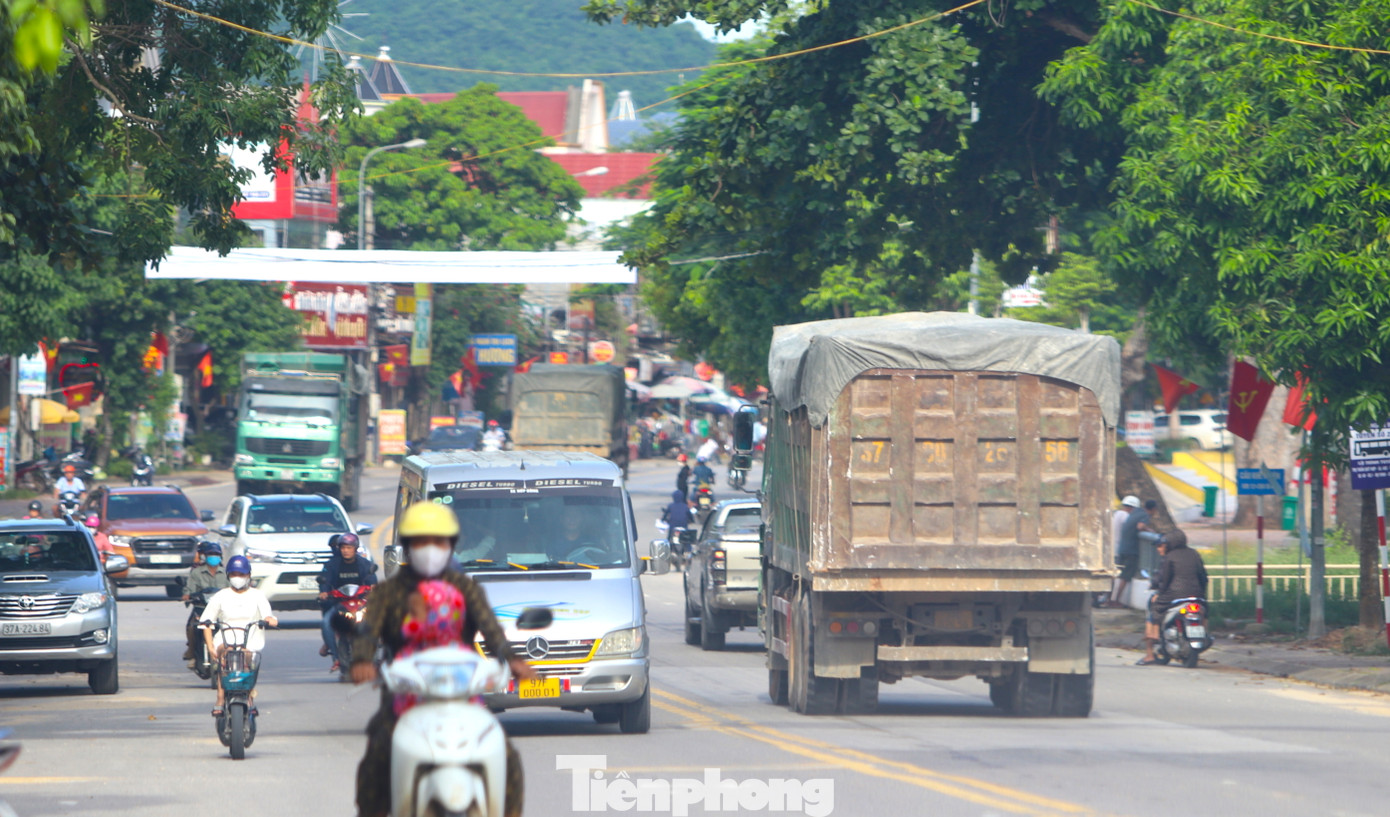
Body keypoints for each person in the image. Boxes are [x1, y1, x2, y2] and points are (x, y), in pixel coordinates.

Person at [350, 501, 536, 817]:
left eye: (439, 541)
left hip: (462, 695)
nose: (430, 549)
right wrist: (361, 661)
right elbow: (368, 633)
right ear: (408, 547)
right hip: (406, 694)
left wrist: (512, 659)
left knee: (507, 756)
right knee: (376, 758)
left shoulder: (465, 587)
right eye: (422, 541)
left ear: (450, 546)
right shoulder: (388, 593)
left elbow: (492, 630)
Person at [200, 555, 278, 716]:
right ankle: (220, 697)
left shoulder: (257, 595)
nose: (238, 578)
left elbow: (268, 616)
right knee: (227, 657)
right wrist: (210, 647)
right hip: (225, 639)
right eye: (234, 574)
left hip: (250, 640)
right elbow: (206, 623)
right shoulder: (221, 596)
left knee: (245, 657)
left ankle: (249, 696)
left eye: (241, 574)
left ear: (248, 575)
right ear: (229, 576)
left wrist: (270, 620)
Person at [1138, 530, 1207, 665]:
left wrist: (1159, 592)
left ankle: (1153, 641)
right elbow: (1203, 577)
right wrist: (1201, 594)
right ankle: (1204, 631)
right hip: (1197, 595)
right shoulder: (1194, 554)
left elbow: (1164, 579)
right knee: (1205, 611)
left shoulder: (1170, 556)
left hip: (1175, 594)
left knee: (1154, 606)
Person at [317, 533, 378, 669]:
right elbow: (324, 580)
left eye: (349, 548)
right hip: (339, 604)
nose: (346, 550)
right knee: (326, 623)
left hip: (361, 604)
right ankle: (336, 659)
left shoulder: (365, 564)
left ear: (355, 549)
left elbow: (371, 579)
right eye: (343, 547)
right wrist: (324, 591)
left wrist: (373, 588)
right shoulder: (332, 565)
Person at [182, 542, 230, 666]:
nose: (213, 556)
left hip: (221, 610)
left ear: (220, 557)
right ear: (205, 556)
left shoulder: (226, 573)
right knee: (192, 626)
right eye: (210, 554)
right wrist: (187, 595)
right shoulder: (196, 573)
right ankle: (192, 651)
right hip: (201, 608)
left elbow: (233, 589)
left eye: (216, 554)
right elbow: (189, 589)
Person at [1113, 499, 1156, 608]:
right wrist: (1149, 530)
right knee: (1125, 576)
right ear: (1153, 509)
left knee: (1118, 575)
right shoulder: (1145, 515)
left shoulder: (1136, 512)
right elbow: (1140, 526)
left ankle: (1110, 599)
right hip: (1131, 550)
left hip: (1122, 548)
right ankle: (1116, 600)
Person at [1100, 496, 1141, 608]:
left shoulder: (1116, 514)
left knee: (1111, 577)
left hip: (1111, 550)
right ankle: (1115, 600)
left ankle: (1107, 599)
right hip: (1120, 550)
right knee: (1123, 576)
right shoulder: (1126, 516)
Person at [661, 490, 694, 557]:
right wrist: (692, 520)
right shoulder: (685, 506)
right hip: (683, 526)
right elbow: (690, 516)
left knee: (669, 538)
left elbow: (665, 515)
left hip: (673, 527)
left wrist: (663, 520)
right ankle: (689, 550)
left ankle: (668, 550)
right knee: (687, 539)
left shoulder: (671, 506)